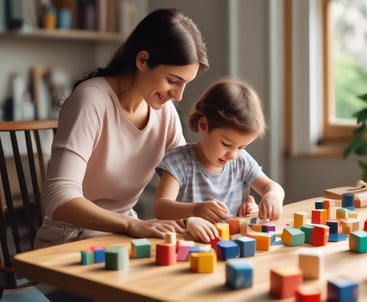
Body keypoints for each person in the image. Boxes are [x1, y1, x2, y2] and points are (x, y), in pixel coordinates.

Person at [34, 8, 209, 249]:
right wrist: (129, 225)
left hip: (124, 240)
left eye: (185, 84)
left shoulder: (164, 113)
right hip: (69, 243)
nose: (178, 96)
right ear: (143, 60)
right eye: (172, 80)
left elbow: (189, 177)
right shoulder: (91, 100)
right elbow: (59, 198)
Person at [153, 79, 285, 243]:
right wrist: (194, 211)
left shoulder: (241, 161)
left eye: (241, 147)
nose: (233, 155)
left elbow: (271, 186)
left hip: (231, 243)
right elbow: (160, 207)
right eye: (226, 144)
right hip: (187, 243)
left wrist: (273, 196)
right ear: (203, 126)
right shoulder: (179, 162)